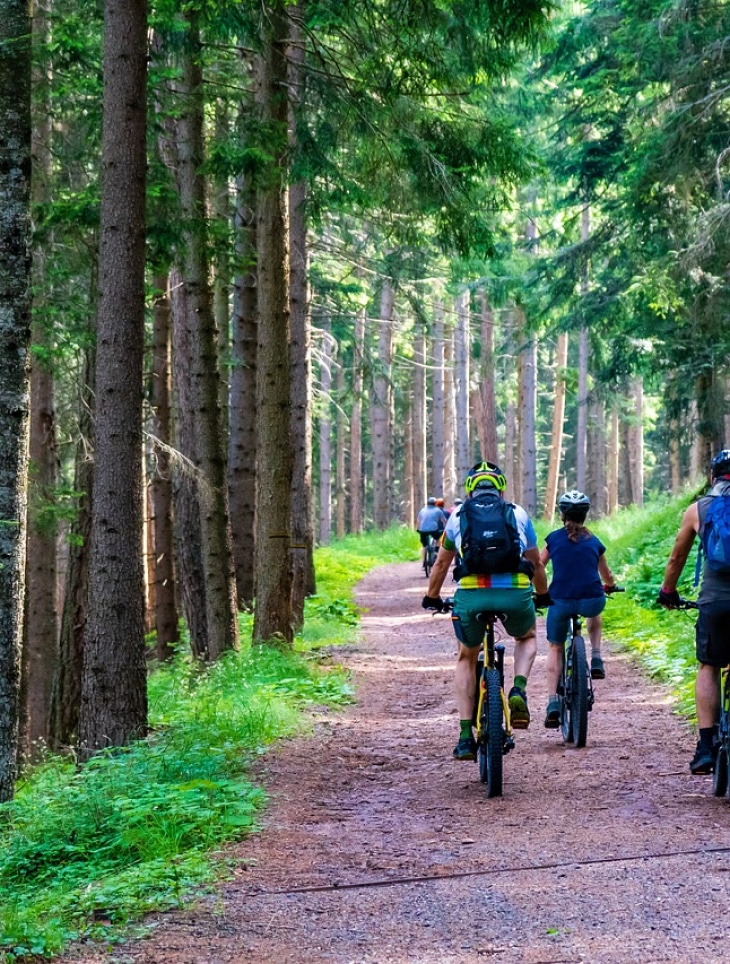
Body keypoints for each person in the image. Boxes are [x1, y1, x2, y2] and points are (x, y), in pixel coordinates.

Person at [421, 460, 551, 760]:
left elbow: (441, 563)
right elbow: (536, 562)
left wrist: (432, 597)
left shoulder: (457, 517)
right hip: (514, 594)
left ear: (470, 489)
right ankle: (518, 689)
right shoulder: (517, 513)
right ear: (500, 487)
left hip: (472, 596)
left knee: (466, 656)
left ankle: (466, 736)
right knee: (527, 637)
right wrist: (542, 595)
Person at [657, 449, 730, 775]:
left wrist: (668, 592)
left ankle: (705, 746)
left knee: (708, 666)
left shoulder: (698, 509)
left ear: (713, 476)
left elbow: (676, 559)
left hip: (714, 601)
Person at [540, 490, 618, 728]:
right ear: (586, 515)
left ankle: (553, 701)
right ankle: (595, 656)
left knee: (555, 647)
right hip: (590, 599)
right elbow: (606, 575)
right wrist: (611, 586)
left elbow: (538, 566)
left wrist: (539, 592)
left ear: (562, 514)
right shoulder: (594, 541)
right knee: (595, 610)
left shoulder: (553, 539)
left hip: (560, 600)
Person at [416, 496, 448, 565]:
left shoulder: (422, 510)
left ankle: (424, 561)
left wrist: (418, 529)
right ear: (435, 503)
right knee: (437, 538)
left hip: (422, 530)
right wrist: (446, 528)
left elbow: (418, 521)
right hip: (434, 530)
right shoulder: (438, 510)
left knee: (424, 545)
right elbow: (444, 520)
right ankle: (436, 551)